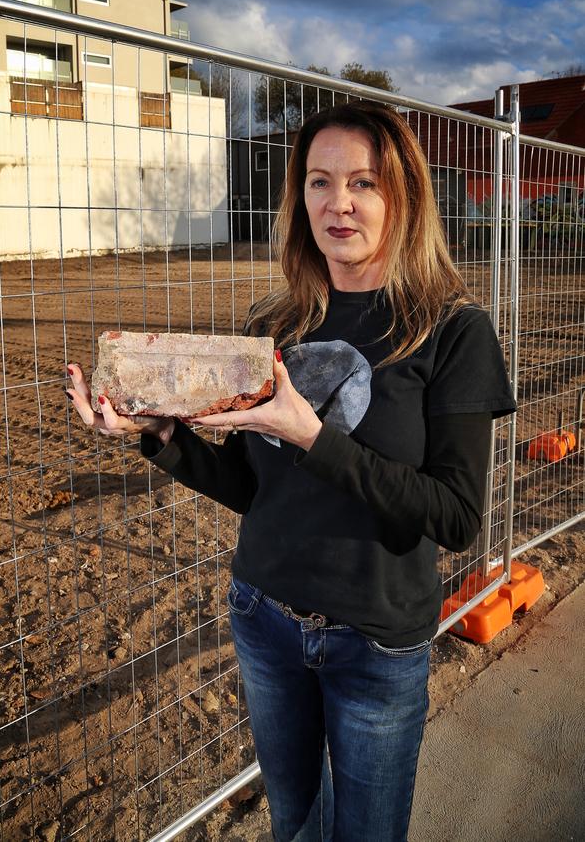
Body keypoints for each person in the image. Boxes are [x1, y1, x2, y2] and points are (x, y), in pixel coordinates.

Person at [67, 103, 516, 842]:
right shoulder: (275, 325)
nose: (338, 203)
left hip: (375, 641)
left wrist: (309, 433)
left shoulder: (453, 330)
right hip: (266, 620)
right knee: (296, 828)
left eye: (363, 182)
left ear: (402, 195)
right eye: (319, 181)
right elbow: (250, 488)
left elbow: (457, 515)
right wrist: (158, 436)